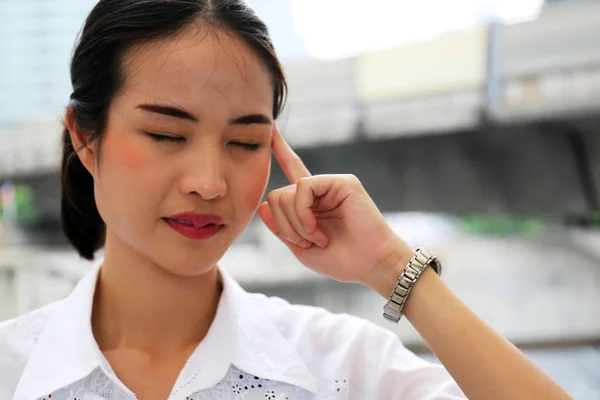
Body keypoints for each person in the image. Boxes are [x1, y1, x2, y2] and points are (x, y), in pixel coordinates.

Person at [0, 1, 572, 399]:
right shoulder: (12, 370)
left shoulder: (344, 367)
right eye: (167, 135)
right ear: (85, 137)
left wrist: (394, 268)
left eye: (245, 142)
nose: (209, 182)